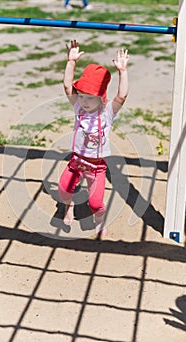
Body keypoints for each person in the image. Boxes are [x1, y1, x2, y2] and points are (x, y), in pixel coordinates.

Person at [58, 40, 129, 235]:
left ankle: (99, 220)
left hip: (96, 166)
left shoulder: (107, 112)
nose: (84, 101)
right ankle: (69, 206)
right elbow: (67, 86)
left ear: (102, 98)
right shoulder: (78, 107)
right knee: (63, 191)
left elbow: (122, 96)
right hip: (76, 162)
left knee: (95, 203)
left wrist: (123, 71)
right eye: (81, 95)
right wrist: (71, 62)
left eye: (90, 97)